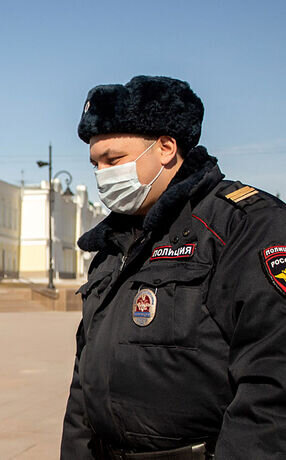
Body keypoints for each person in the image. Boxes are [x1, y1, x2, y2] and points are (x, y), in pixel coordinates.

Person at [60, 76, 286, 459]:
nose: (102, 174)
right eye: (95, 163)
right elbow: (85, 380)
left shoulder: (245, 225)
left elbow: (272, 383)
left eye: (113, 160)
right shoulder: (115, 244)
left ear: (165, 147)